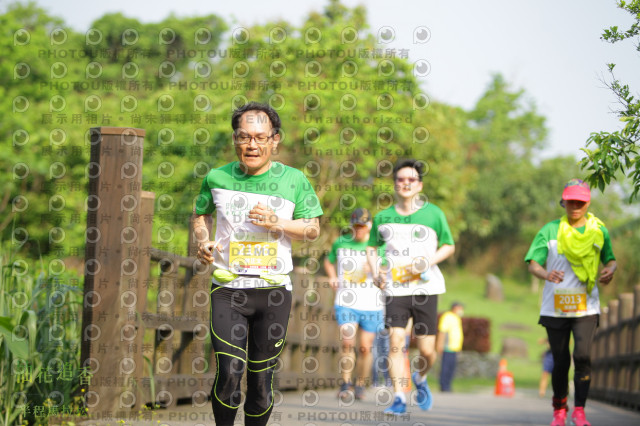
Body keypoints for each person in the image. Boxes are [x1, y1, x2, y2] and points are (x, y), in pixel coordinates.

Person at [193, 101, 323, 426]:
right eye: (244, 136)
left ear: (274, 140)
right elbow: (200, 214)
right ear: (235, 139)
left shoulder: (294, 180)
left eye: (260, 137)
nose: (252, 144)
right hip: (228, 289)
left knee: (261, 383)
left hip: (274, 292)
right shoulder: (216, 176)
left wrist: (278, 223)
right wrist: (202, 240)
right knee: (229, 372)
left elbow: (312, 229)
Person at [366, 159, 456, 415]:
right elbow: (372, 248)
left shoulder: (434, 214)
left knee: (428, 351)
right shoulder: (383, 217)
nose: (405, 183)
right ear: (394, 184)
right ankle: (398, 397)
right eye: (400, 179)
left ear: (419, 185)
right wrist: (375, 272)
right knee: (396, 340)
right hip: (395, 288)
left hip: (426, 288)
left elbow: (449, 245)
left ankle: (421, 377)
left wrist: (428, 261)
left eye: (411, 179)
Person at [525, 178, 616, 426]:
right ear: (563, 201)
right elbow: (533, 263)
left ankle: (579, 410)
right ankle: (559, 409)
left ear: (587, 203)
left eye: (580, 201)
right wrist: (546, 274)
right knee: (561, 360)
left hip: (586, 307)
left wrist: (611, 270)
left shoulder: (599, 230)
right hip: (555, 308)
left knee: (583, 355)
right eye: (570, 201)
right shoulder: (549, 230)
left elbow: (610, 259)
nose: (575, 205)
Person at [324, 207, 384, 401]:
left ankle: (360, 385)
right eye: (356, 226)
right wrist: (332, 277)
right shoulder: (341, 243)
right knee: (348, 342)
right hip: (346, 300)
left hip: (372, 303)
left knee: (365, 347)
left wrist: (376, 268)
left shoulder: (377, 246)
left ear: (370, 226)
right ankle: (345, 384)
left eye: (363, 227)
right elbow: (329, 260)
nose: (360, 230)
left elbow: (388, 269)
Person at [437, 301, 464, 392]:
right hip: (447, 347)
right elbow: (442, 331)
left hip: (454, 348)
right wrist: (440, 344)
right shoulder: (447, 316)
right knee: (446, 367)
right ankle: (444, 386)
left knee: (451, 368)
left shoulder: (457, 318)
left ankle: (448, 385)